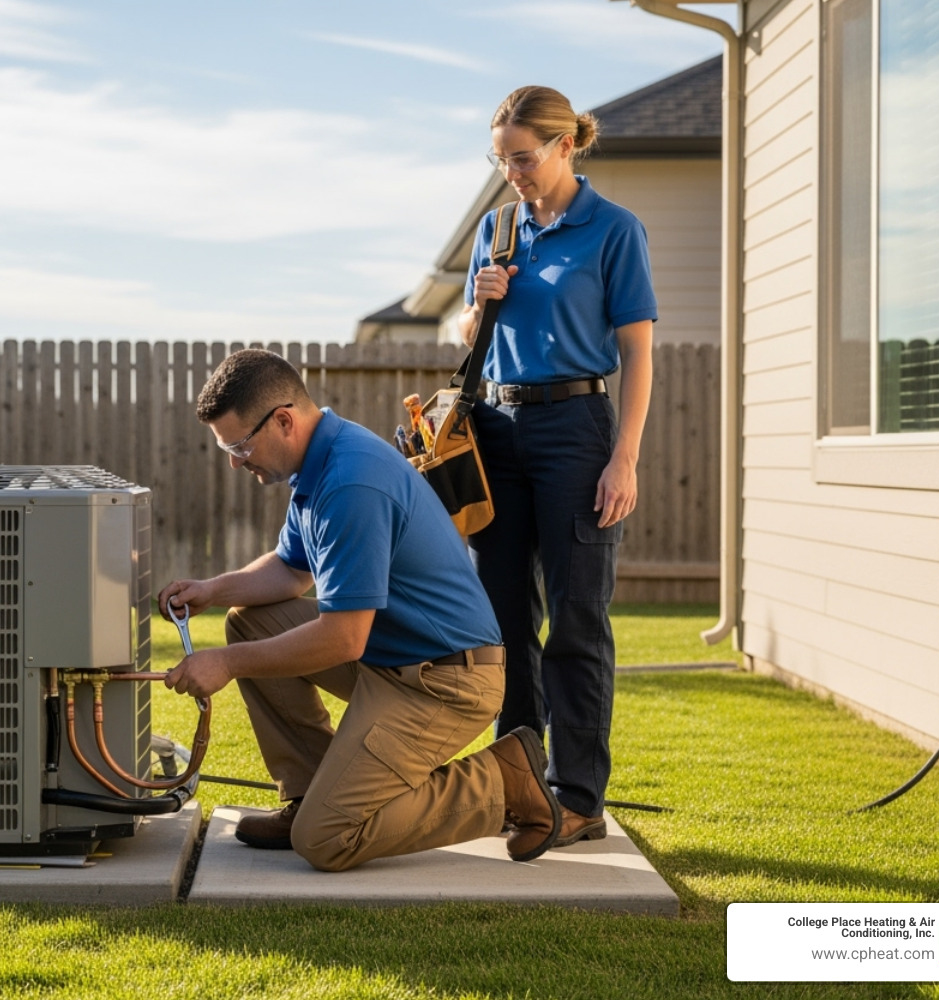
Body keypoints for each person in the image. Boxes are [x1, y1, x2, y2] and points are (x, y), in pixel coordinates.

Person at [157, 348, 564, 871]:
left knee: (326, 839)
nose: (235, 461)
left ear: (283, 420)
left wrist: (228, 664)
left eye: (238, 445)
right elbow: (291, 571)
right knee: (249, 620)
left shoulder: (351, 482)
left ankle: (504, 781)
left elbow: (343, 638)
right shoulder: (320, 463)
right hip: (394, 660)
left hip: (447, 683)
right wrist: (213, 590)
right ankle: (309, 793)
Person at [458, 86, 656, 856]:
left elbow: (638, 352)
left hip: (576, 429)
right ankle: (522, 786)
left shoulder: (614, 230)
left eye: (523, 157)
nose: (511, 172)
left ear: (565, 144)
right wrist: (478, 305)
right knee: (504, 618)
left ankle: (578, 797)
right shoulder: (497, 229)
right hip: (496, 429)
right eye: (500, 159)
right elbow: (475, 334)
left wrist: (625, 458)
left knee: (576, 616)